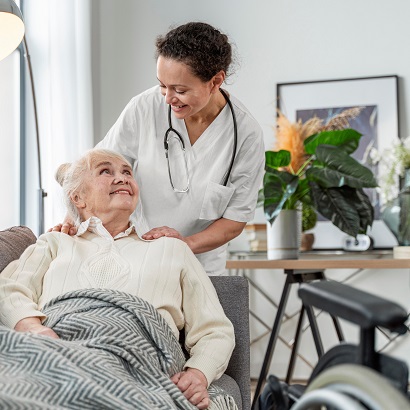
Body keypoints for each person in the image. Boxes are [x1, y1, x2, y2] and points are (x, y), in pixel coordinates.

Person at [0, 148, 235, 409]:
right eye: (105, 171)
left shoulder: (171, 248)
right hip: (56, 346)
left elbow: (216, 330)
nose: (122, 178)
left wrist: (198, 374)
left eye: (127, 172)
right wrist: (33, 327)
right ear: (78, 197)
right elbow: (9, 289)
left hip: (137, 355)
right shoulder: (54, 242)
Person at [55, 21, 265, 276]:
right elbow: (95, 169)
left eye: (180, 90)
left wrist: (182, 245)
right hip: (133, 257)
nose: (167, 99)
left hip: (199, 268)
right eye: (163, 85)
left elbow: (234, 222)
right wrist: (73, 215)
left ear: (215, 81)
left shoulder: (245, 135)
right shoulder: (144, 108)